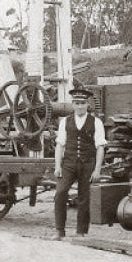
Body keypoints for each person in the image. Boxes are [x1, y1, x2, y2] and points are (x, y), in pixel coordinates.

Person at [53, 88, 107, 240]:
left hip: (87, 164)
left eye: (83, 103)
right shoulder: (65, 121)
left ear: (88, 104)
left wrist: (97, 170)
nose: (80, 106)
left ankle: (81, 232)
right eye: (77, 103)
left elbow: (100, 147)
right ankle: (59, 231)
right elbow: (60, 145)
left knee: (84, 198)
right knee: (60, 193)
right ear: (73, 104)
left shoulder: (96, 122)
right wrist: (57, 166)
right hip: (68, 164)